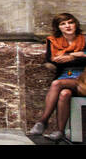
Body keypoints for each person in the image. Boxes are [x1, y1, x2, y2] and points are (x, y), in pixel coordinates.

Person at [29, 12, 86, 141]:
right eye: (63, 24)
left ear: (75, 24)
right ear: (58, 27)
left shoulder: (84, 39)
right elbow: (51, 60)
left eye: (70, 22)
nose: (68, 26)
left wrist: (70, 57)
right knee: (64, 93)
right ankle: (60, 131)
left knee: (56, 84)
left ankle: (43, 121)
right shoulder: (53, 41)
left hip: (83, 78)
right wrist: (78, 55)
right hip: (65, 76)